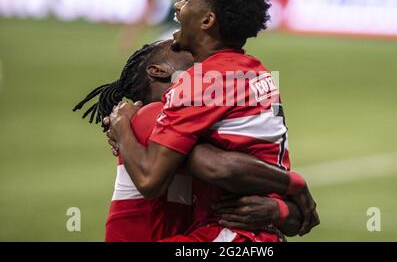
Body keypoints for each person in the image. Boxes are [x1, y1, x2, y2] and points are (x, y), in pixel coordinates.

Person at [106, 0, 319, 242]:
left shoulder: (203, 80)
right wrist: (288, 196)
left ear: (207, 20)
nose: (179, 6)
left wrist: (123, 129)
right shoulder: (256, 72)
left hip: (230, 237)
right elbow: (295, 215)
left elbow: (150, 179)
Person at [74, 40, 311, 241]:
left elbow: (299, 219)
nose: (194, 50)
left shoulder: (199, 129)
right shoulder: (153, 116)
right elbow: (221, 168)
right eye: (179, 48)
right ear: (158, 71)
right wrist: (294, 184)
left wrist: (278, 210)